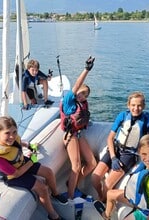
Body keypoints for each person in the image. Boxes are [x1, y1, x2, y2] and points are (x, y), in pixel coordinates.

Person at [0, 116, 67, 220]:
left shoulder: (12, 139)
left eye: (14, 132)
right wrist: (31, 161)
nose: (12, 136)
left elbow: (18, 142)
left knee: (48, 172)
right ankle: (53, 216)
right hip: (13, 176)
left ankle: (55, 194)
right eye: (7, 133)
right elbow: (16, 174)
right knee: (42, 188)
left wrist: (28, 145)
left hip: (21, 162)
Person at [94, 134, 149, 220]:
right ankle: (106, 216)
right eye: (144, 154)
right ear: (139, 152)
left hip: (147, 210)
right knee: (110, 194)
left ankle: (107, 215)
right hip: (144, 197)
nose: (148, 159)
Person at [91, 91, 149, 202]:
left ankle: (102, 201)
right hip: (115, 149)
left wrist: (145, 164)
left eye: (139, 105)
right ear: (128, 105)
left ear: (144, 106)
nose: (136, 108)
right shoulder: (123, 116)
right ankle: (100, 196)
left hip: (130, 155)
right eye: (133, 105)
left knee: (107, 184)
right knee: (94, 178)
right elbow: (110, 138)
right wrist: (113, 158)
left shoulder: (148, 122)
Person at [60, 56, 97, 199]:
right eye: (81, 92)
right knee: (76, 166)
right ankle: (70, 198)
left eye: (85, 94)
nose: (82, 96)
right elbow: (77, 84)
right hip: (70, 135)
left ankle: (73, 185)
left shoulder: (83, 104)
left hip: (78, 134)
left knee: (92, 163)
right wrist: (86, 69)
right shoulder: (70, 101)